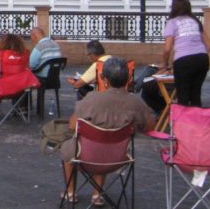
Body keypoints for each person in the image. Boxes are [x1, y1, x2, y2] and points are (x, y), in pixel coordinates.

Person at [59, 57, 154, 206]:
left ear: (104, 79)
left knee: (70, 147)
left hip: (85, 155)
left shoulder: (91, 98)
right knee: (106, 143)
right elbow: (149, 126)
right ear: (128, 77)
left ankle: (71, 192)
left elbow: (72, 125)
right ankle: (97, 194)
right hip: (118, 157)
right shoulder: (136, 102)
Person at [162, 0, 210, 107]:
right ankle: (197, 121)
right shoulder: (195, 21)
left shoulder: (172, 22)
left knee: (183, 96)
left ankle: (183, 123)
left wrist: (166, 64)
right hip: (202, 59)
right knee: (195, 94)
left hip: (183, 61)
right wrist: (199, 53)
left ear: (174, 8)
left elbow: (167, 49)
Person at [0, 34, 40, 107]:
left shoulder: (2, 57)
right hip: (20, 90)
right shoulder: (25, 56)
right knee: (18, 80)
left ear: (3, 44)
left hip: (3, 90)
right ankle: (19, 109)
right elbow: (28, 69)